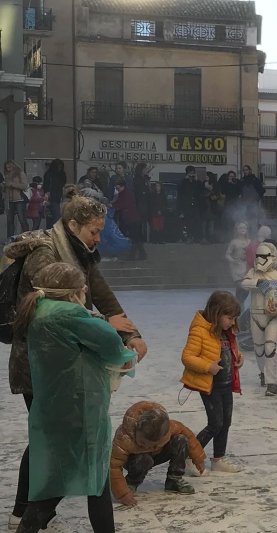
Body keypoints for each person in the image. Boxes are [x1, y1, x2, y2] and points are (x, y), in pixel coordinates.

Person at [5, 186, 147, 531]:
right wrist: (105, 326)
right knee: (49, 438)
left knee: (51, 437)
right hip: (40, 364)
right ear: (73, 224)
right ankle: (26, 511)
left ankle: (29, 510)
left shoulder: (78, 250)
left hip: (68, 363)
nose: (99, 238)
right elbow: (55, 309)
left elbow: (99, 292)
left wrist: (129, 332)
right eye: (94, 231)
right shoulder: (46, 252)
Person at [13, 263, 136, 533]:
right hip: (80, 411)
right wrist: (128, 352)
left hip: (53, 407)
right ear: (72, 292)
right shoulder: (70, 316)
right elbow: (113, 348)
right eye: (82, 287)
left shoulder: (39, 310)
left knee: (70, 480)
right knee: (82, 480)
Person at [180, 291, 243, 473]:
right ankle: (189, 456)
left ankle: (218, 459)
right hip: (210, 386)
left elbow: (229, 350)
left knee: (226, 422)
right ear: (217, 313)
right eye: (230, 318)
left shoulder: (226, 331)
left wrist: (238, 358)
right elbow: (187, 357)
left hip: (226, 384)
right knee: (215, 423)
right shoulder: (199, 331)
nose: (232, 322)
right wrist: (208, 366)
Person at [110, 402, 206, 507]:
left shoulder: (170, 428)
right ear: (137, 429)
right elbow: (113, 466)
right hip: (135, 461)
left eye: (152, 445)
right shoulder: (124, 437)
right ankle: (132, 482)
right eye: (142, 443)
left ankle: (174, 479)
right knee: (144, 458)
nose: (146, 447)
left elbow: (189, 435)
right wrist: (122, 493)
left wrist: (198, 458)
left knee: (181, 440)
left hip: (155, 456)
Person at [241, 243, 277, 395]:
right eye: (257, 256)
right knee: (259, 349)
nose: (260, 260)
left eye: (264, 256)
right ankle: (263, 373)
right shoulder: (252, 273)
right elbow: (244, 284)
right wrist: (258, 283)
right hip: (256, 315)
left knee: (270, 348)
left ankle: (272, 383)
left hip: (272, 317)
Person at [112, 179, 146, 261]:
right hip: (132, 218)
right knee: (135, 237)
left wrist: (113, 206)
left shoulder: (126, 194)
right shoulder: (124, 194)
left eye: (118, 188)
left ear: (123, 186)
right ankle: (141, 254)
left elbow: (123, 204)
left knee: (134, 237)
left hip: (132, 218)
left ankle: (133, 255)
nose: (117, 190)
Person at [4, 160, 30, 239]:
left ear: (14, 166)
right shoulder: (7, 175)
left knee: (22, 219)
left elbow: (25, 186)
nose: (9, 169)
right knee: (10, 221)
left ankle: (27, 236)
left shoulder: (20, 173)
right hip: (10, 200)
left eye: (10, 167)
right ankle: (10, 238)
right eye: (7, 167)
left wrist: (12, 184)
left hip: (19, 199)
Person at [225, 222, 250, 305]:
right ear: (237, 230)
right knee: (242, 287)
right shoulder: (234, 242)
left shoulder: (249, 241)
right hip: (237, 269)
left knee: (244, 291)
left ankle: (238, 306)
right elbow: (227, 254)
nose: (243, 229)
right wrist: (233, 260)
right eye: (241, 228)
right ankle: (239, 306)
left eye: (244, 228)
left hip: (247, 269)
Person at [178, 166, 202, 243]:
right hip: (187, 206)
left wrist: (197, 180)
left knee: (196, 222)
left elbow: (199, 191)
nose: (192, 174)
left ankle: (196, 237)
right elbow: (180, 195)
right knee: (188, 223)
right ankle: (189, 237)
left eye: (193, 173)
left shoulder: (196, 182)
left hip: (195, 205)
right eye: (190, 173)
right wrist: (186, 179)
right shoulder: (184, 182)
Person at [42, 159, 66, 229]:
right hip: (52, 196)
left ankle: (51, 231)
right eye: (58, 166)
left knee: (53, 216)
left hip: (56, 196)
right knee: (54, 217)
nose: (59, 168)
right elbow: (46, 185)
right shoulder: (50, 174)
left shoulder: (60, 174)